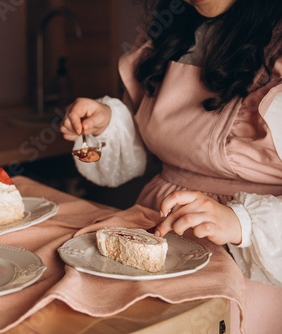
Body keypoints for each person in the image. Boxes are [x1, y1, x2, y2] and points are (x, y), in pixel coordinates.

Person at [61, 0, 282, 332]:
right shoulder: (173, 30)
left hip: (251, 258)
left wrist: (241, 221)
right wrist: (108, 123)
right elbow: (162, 143)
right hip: (158, 229)